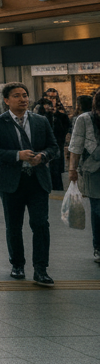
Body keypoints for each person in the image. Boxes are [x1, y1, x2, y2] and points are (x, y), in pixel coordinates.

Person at [0, 82, 60, 285]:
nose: (23, 99)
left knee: (40, 224)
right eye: (17, 96)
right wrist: (17, 155)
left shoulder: (40, 120)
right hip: (11, 182)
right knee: (14, 225)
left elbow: (53, 146)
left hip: (37, 180)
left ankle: (41, 269)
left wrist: (43, 156)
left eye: (25, 95)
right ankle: (17, 264)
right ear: (6, 100)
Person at [66, 94, 100, 264]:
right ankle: (98, 247)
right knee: (98, 209)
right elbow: (76, 145)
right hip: (93, 170)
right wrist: (72, 169)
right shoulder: (84, 119)